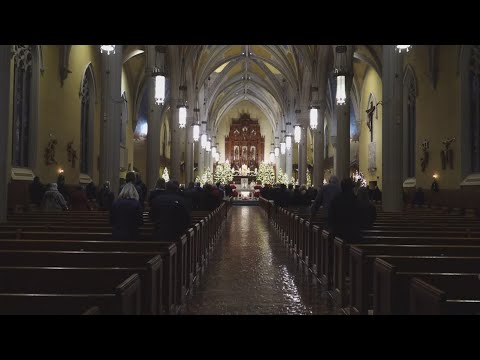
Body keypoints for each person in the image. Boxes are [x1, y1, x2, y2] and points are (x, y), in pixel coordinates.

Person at [328, 178, 362, 243]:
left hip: (338, 233)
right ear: (351, 188)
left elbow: (331, 216)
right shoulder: (355, 200)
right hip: (353, 234)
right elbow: (360, 217)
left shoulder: (336, 199)